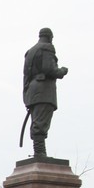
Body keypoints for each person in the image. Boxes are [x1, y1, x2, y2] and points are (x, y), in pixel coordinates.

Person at [23, 27, 68, 158]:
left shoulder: (30, 52)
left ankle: (39, 152)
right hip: (44, 91)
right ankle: (39, 152)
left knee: (37, 121)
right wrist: (62, 71)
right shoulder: (47, 48)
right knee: (41, 123)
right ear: (50, 37)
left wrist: (26, 96)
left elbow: (25, 76)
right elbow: (50, 69)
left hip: (32, 91)